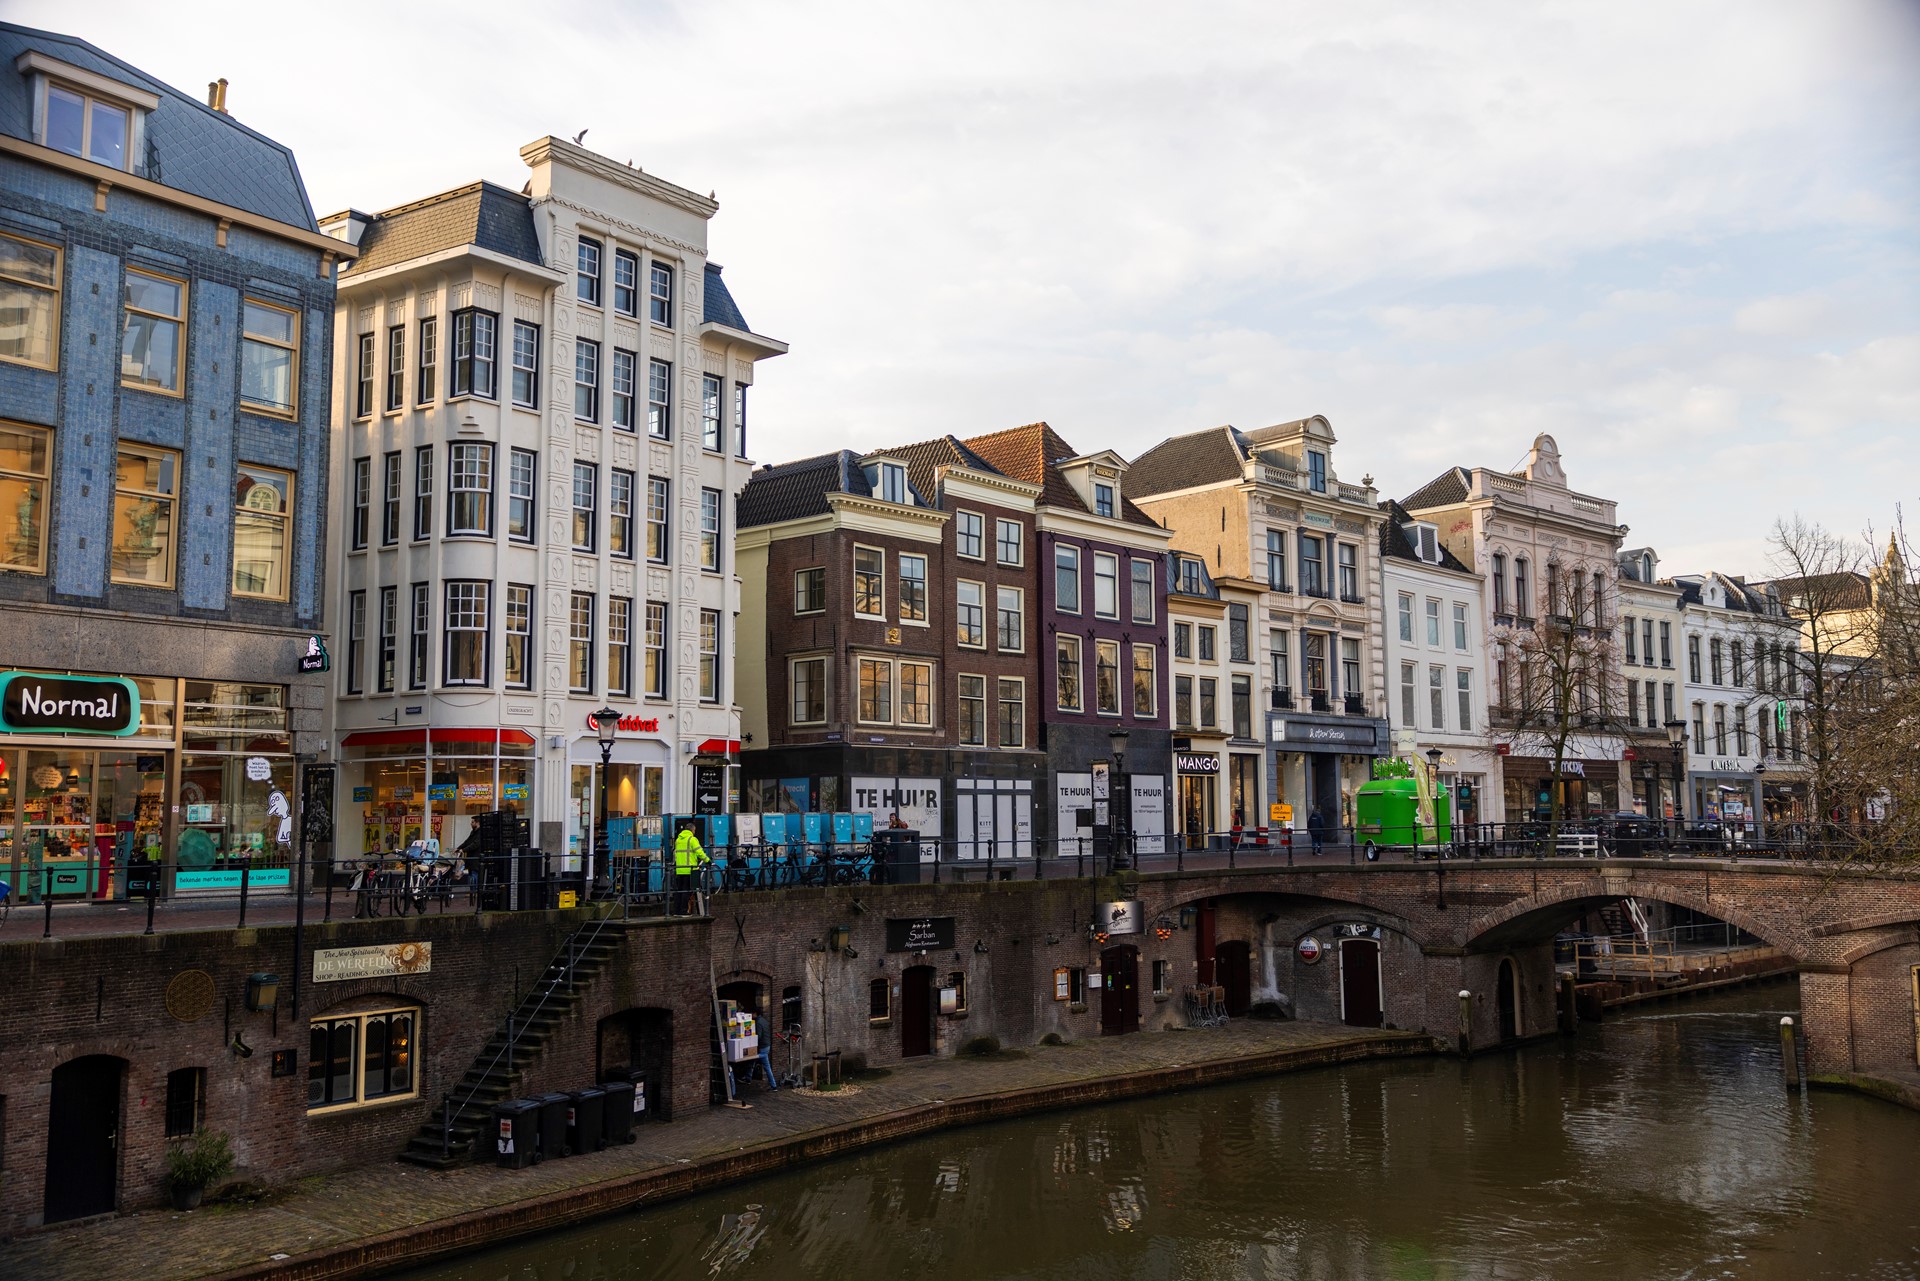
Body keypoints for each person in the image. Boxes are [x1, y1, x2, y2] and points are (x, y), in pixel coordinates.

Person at [672, 820, 710, 914]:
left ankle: (677, 911)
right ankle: (684, 911)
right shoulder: (692, 839)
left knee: (679, 891)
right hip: (690, 870)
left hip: (679, 869)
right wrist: (708, 861)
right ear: (692, 830)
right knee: (687, 891)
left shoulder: (678, 840)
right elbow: (700, 852)